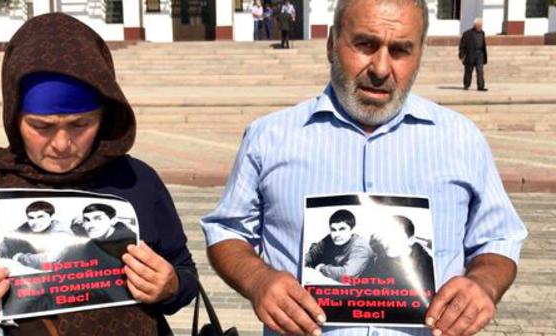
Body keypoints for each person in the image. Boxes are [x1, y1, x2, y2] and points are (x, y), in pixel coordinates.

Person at [200, 0, 527, 335]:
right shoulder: (269, 138)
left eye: (401, 50)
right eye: (365, 45)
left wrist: (484, 284)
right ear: (331, 44)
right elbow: (228, 231)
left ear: (420, 54)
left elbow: (497, 236)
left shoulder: (461, 139)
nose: (381, 68)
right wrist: (258, 280)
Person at [0, 13, 197, 335]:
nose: (61, 144)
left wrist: (170, 286)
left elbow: (183, 271)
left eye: (81, 124)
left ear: (106, 115)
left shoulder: (137, 181)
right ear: (15, 116)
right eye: (41, 126)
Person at [365, 216, 435, 295]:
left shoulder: (428, 267)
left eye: (396, 237)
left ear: (411, 240)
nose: (388, 241)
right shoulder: (379, 260)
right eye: (385, 235)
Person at [304, 210, 373, 282]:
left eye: (342, 229)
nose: (337, 235)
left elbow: (347, 275)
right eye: (333, 230)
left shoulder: (361, 247)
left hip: (361, 288)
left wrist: (321, 268)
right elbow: (311, 255)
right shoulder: (330, 239)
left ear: (352, 230)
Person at [0, 201, 70, 270]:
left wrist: (19, 258)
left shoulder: (61, 231)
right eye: (31, 218)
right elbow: (7, 243)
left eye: (40, 217)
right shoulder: (27, 226)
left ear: (52, 217)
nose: (35, 222)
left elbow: (49, 259)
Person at [459, 18, 488, 91]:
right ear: (475, 25)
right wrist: (462, 55)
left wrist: (484, 55)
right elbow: (462, 45)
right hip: (470, 55)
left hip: (480, 55)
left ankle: (481, 86)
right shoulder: (467, 34)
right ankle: (466, 84)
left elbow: (483, 44)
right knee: (468, 71)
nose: (480, 27)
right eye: (479, 25)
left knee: (480, 71)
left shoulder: (482, 33)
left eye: (481, 26)